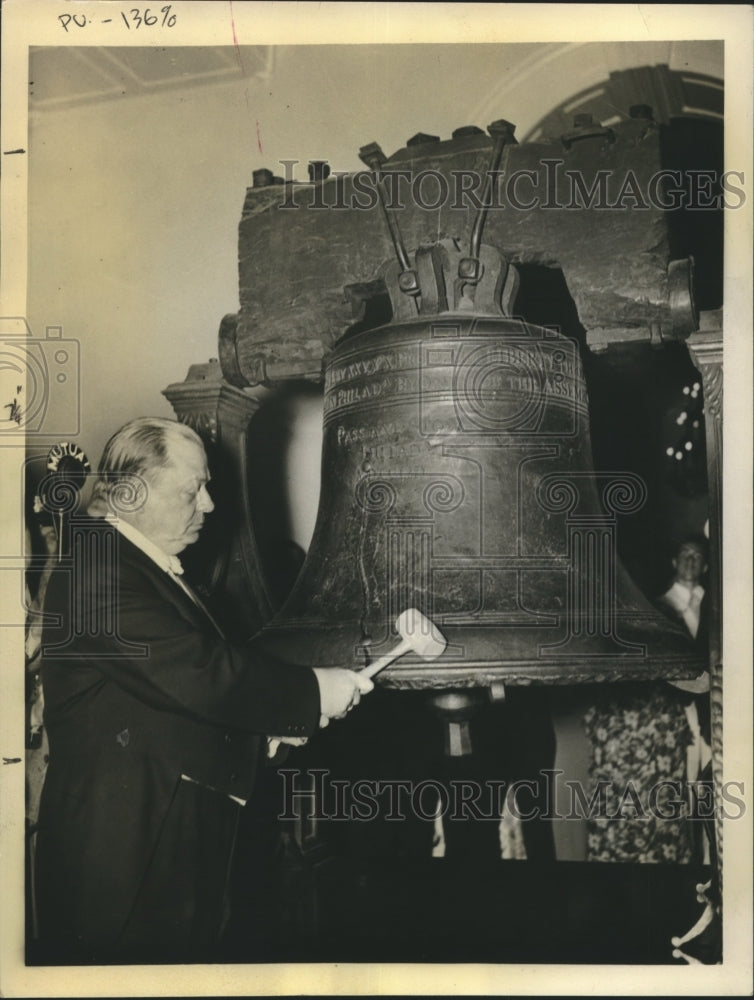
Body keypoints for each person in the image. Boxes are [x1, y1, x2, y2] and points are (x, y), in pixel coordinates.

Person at [33, 417, 372, 965]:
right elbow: (195, 671)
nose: (211, 505)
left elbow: (163, 701)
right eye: (194, 489)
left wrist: (264, 730)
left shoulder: (145, 569)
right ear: (129, 492)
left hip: (164, 840)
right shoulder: (95, 565)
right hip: (126, 857)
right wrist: (309, 695)